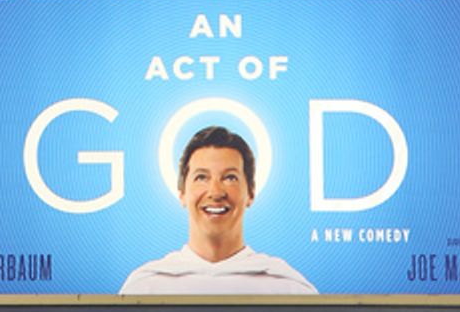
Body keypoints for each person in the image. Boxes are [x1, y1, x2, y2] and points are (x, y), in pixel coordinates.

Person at [118, 124, 317, 296]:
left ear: (251, 193)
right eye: (201, 177)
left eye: (230, 178)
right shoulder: (144, 289)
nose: (215, 192)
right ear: (182, 194)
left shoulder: (289, 289)